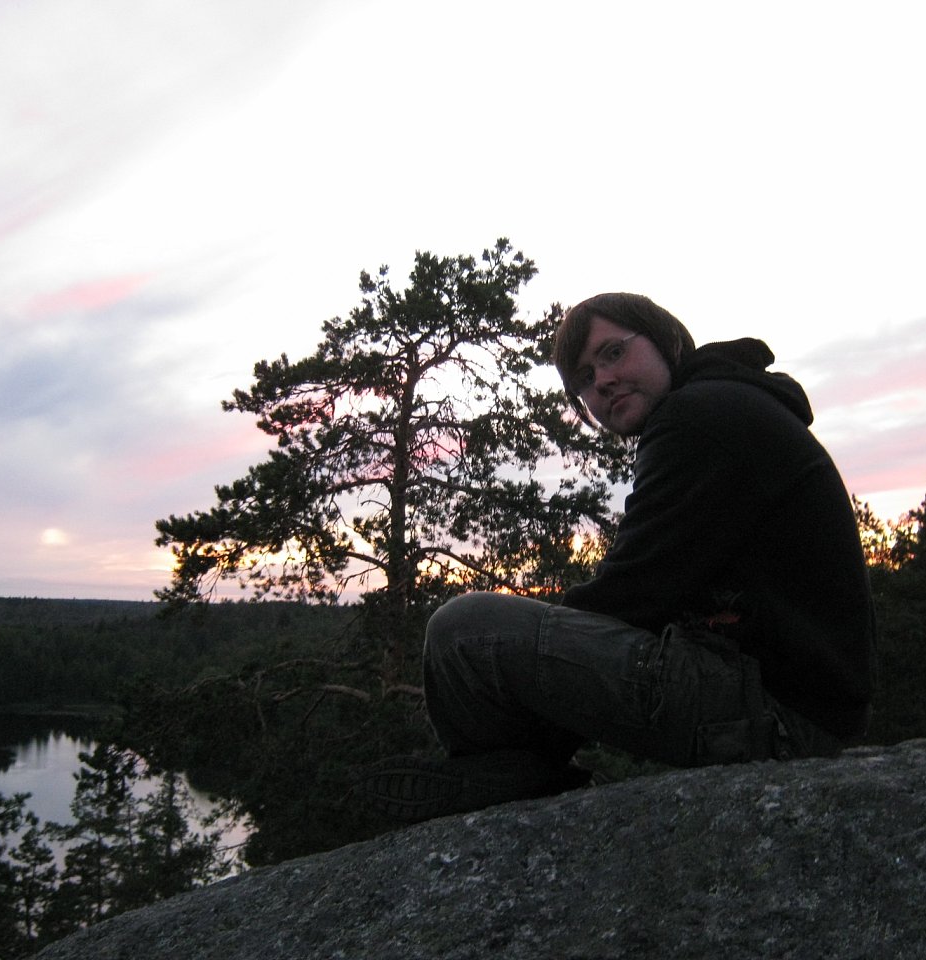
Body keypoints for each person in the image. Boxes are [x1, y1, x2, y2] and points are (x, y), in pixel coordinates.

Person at [356, 292, 876, 822]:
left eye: (613, 353)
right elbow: (653, 593)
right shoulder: (724, 404)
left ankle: (505, 776)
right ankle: (511, 774)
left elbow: (632, 593)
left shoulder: (698, 415)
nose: (602, 381)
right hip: (786, 706)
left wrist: (530, 693)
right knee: (491, 645)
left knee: (464, 633)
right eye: (584, 378)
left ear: (666, 340)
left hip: (777, 717)